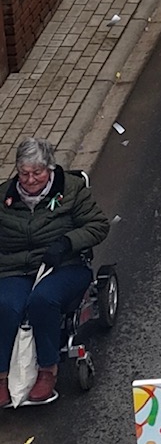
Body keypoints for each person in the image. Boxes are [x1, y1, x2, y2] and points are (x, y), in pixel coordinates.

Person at [0, 138, 109, 406]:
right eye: (24, 173)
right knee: (6, 306)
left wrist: (66, 243)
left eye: (37, 173)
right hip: (15, 269)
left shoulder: (72, 190)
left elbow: (98, 225)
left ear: (49, 168)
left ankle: (48, 370)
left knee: (42, 301)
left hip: (63, 266)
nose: (30, 179)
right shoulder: (4, 196)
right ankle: (3, 376)